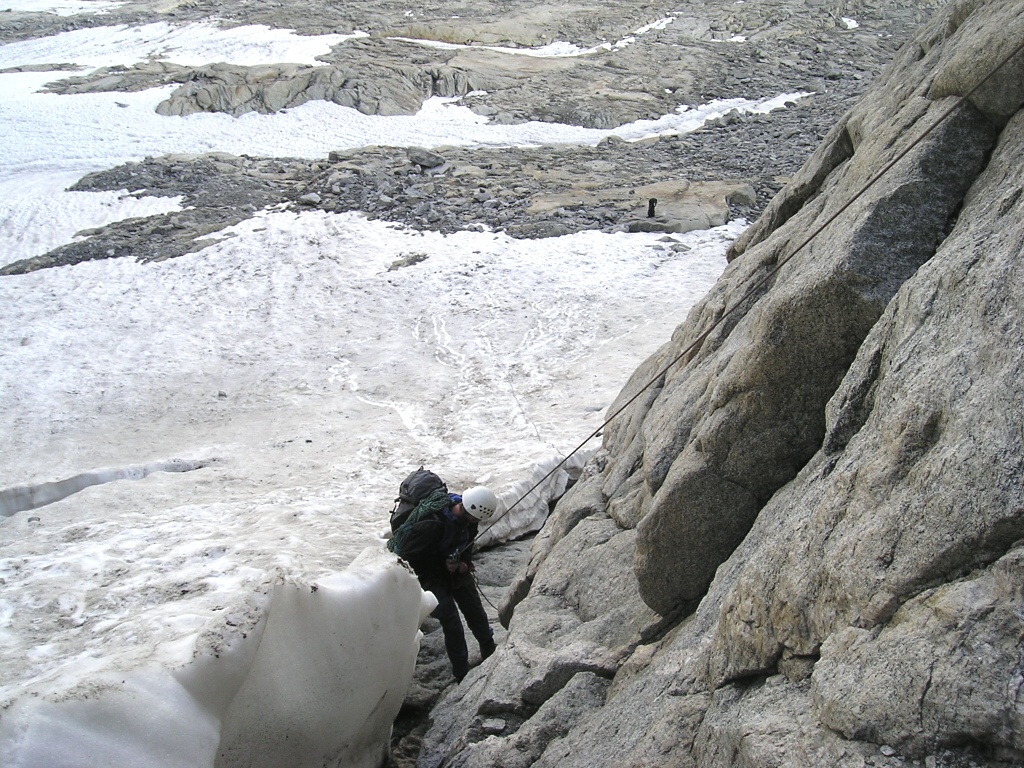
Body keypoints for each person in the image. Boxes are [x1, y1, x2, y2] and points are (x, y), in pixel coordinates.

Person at [387, 484, 499, 682]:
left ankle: (488, 647)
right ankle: (461, 673)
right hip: (430, 577)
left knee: (474, 608)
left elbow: (466, 545)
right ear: (471, 511)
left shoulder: (469, 521)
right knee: (452, 622)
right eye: (477, 519)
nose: (477, 523)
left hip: (453, 570)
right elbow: (407, 558)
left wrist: (463, 564)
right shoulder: (431, 524)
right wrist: (443, 566)